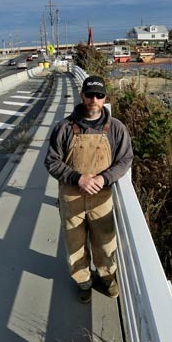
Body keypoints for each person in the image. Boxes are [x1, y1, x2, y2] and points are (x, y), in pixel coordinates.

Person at [44, 74, 133, 302]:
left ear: (105, 98)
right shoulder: (64, 127)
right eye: (90, 94)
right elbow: (52, 162)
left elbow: (125, 160)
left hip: (101, 198)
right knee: (74, 244)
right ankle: (83, 282)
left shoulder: (116, 129)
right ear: (82, 95)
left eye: (99, 95)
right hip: (71, 196)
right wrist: (77, 178)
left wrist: (104, 179)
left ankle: (107, 278)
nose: (94, 99)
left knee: (105, 244)